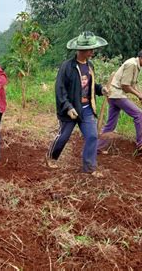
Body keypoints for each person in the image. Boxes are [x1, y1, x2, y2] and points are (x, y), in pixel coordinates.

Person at [46, 31, 108, 177]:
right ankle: (51, 157)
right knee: (64, 136)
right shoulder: (67, 67)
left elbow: (90, 86)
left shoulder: (90, 65)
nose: (93, 52)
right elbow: (60, 89)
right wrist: (67, 107)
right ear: (81, 50)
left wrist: (101, 89)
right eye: (90, 49)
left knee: (92, 136)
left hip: (86, 109)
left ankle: (89, 167)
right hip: (71, 109)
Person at [97, 45, 142, 154]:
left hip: (114, 95)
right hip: (117, 95)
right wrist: (138, 95)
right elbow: (125, 86)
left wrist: (141, 94)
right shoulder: (132, 64)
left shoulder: (136, 65)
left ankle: (96, 147)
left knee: (111, 124)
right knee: (139, 114)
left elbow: (132, 85)